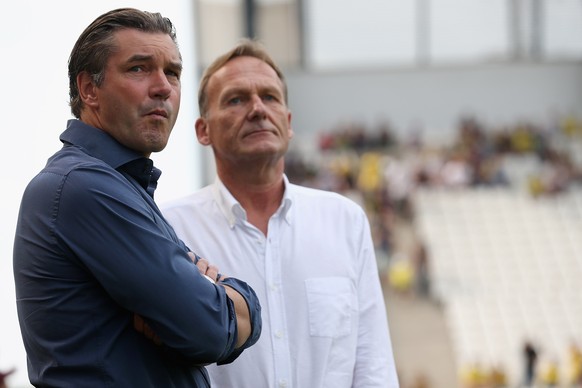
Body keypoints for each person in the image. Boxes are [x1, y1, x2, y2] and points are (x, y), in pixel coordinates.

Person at [12, 8, 261, 387]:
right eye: (139, 68)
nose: (163, 87)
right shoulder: (83, 186)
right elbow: (209, 329)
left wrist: (201, 304)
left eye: (173, 72)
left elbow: (198, 326)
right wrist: (237, 298)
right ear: (89, 89)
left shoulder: (117, 186)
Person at [162, 38, 399, 387]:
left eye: (269, 97)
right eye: (236, 99)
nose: (257, 109)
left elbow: (372, 365)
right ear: (203, 130)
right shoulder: (170, 229)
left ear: (288, 123)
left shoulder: (344, 221)